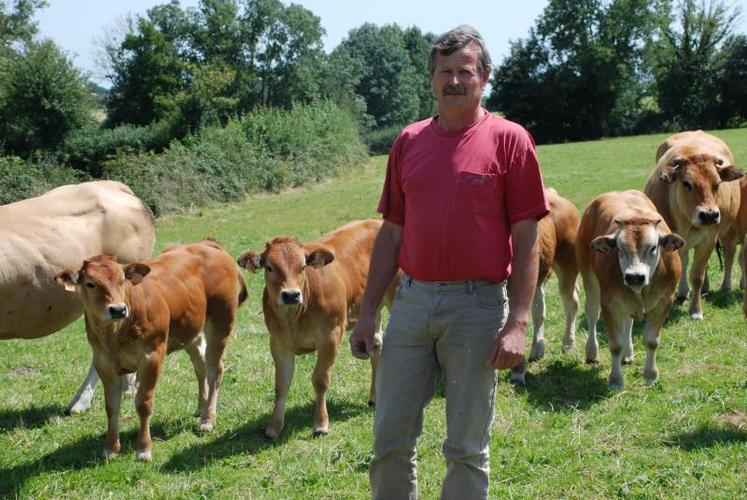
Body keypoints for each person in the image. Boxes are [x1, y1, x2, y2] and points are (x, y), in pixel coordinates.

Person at [349, 25, 549, 499]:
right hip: (412, 304)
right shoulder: (408, 141)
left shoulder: (510, 140)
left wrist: (518, 320)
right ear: (431, 78)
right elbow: (392, 231)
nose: (454, 81)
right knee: (389, 442)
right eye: (445, 72)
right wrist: (369, 311)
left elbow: (527, 237)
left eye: (465, 71)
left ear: (484, 78)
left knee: (466, 447)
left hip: (476, 307)